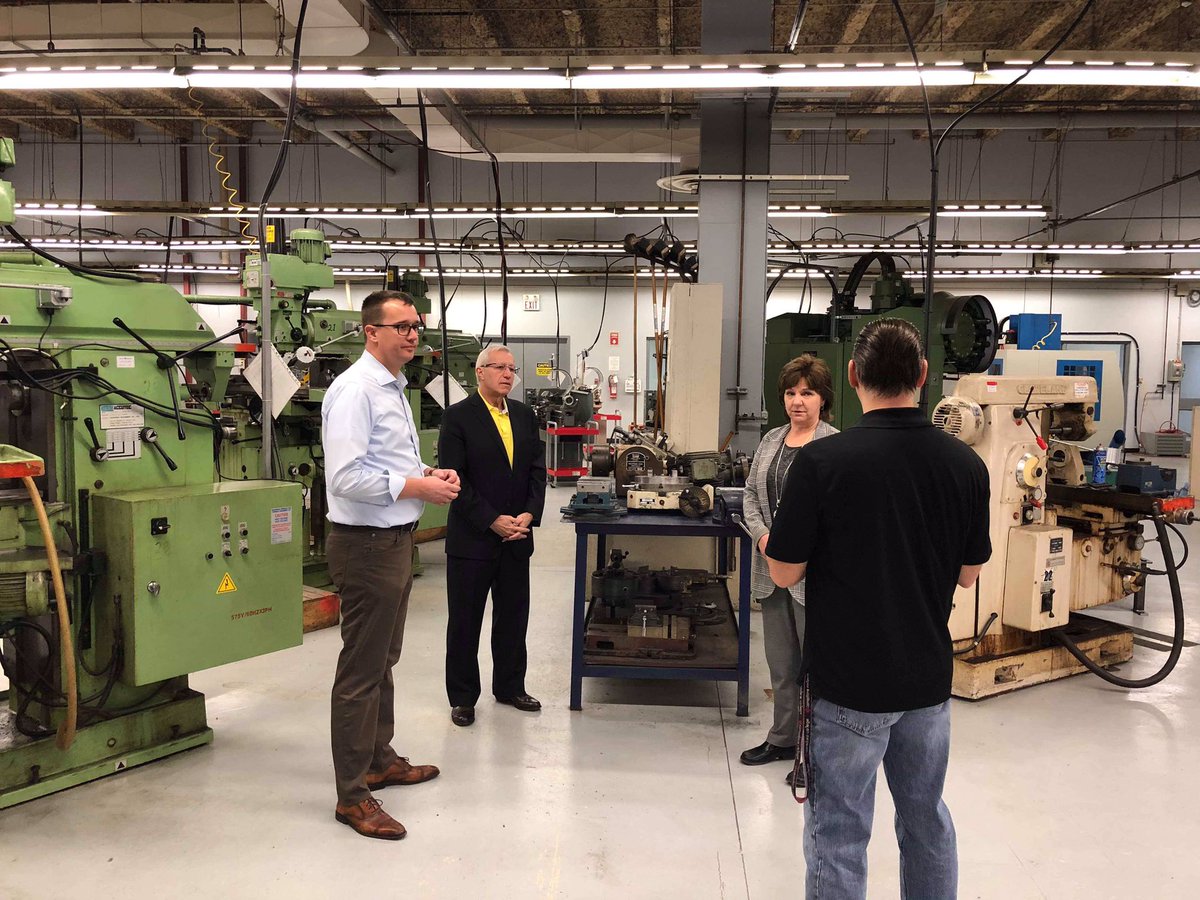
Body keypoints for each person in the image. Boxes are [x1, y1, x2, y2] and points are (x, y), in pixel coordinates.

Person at [765, 318, 990, 899]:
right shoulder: (966, 465)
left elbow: (784, 573)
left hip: (848, 684)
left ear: (852, 375)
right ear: (923, 375)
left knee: (840, 832)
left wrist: (776, 541)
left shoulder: (823, 462)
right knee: (926, 820)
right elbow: (969, 575)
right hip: (926, 684)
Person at [321, 289, 461, 841]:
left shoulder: (393, 388)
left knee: (384, 659)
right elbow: (345, 477)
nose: (412, 334)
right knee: (361, 671)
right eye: (401, 325)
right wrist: (416, 487)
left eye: (415, 325)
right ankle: (352, 796)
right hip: (366, 546)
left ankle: (379, 760)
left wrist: (427, 474)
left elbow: (387, 462)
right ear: (370, 331)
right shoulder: (355, 390)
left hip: (395, 541)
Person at [438, 345, 547, 727]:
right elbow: (454, 479)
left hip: (517, 536)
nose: (507, 374)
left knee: (513, 618)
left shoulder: (524, 415)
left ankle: (510, 686)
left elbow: (537, 471)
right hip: (473, 539)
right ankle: (463, 697)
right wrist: (491, 520)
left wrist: (529, 514)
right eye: (498, 367)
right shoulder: (458, 417)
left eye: (511, 368)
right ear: (479, 372)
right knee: (465, 621)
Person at [739, 355, 838, 778]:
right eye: (791, 393)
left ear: (823, 399)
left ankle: (812, 753)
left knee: (814, 671)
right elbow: (749, 495)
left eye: (807, 393)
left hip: (813, 576)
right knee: (781, 665)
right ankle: (782, 738)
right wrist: (764, 539)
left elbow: (837, 513)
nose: (797, 401)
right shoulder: (771, 440)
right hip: (770, 570)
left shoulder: (834, 445)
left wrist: (796, 550)